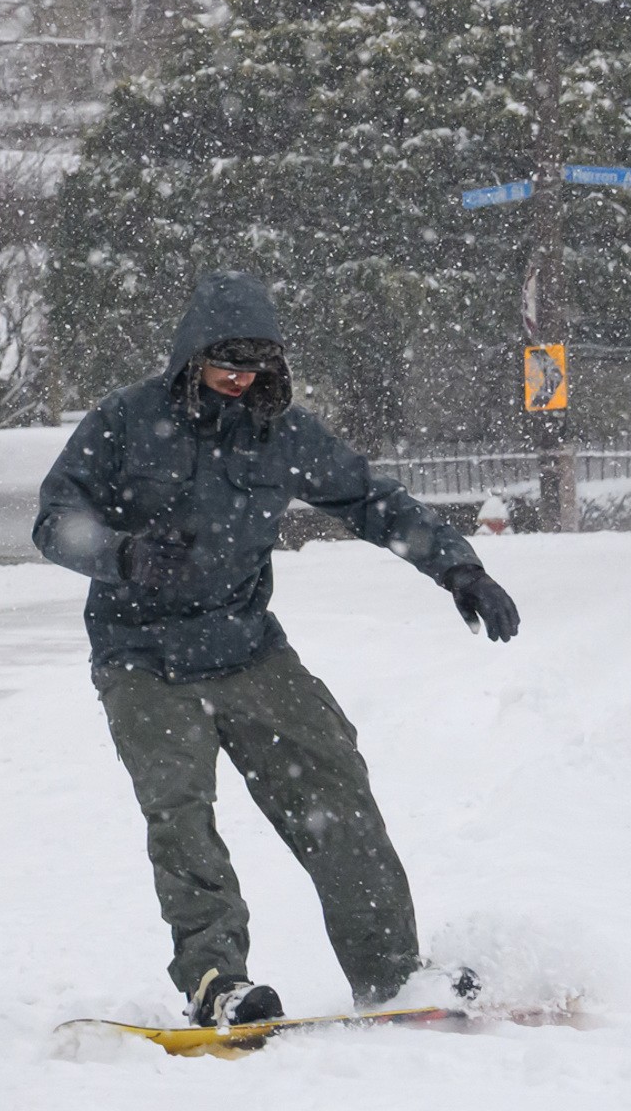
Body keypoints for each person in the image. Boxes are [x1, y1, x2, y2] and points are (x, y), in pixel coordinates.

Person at [33, 267, 520, 1029]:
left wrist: (459, 566)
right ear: (191, 355)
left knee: (335, 787)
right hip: (142, 660)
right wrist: (123, 553)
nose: (238, 380)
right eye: (224, 364)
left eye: (253, 366)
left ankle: (391, 973)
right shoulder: (125, 420)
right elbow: (54, 517)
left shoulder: (281, 433)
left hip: (247, 649)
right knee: (182, 818)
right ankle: (217, 981)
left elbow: (371, 499)